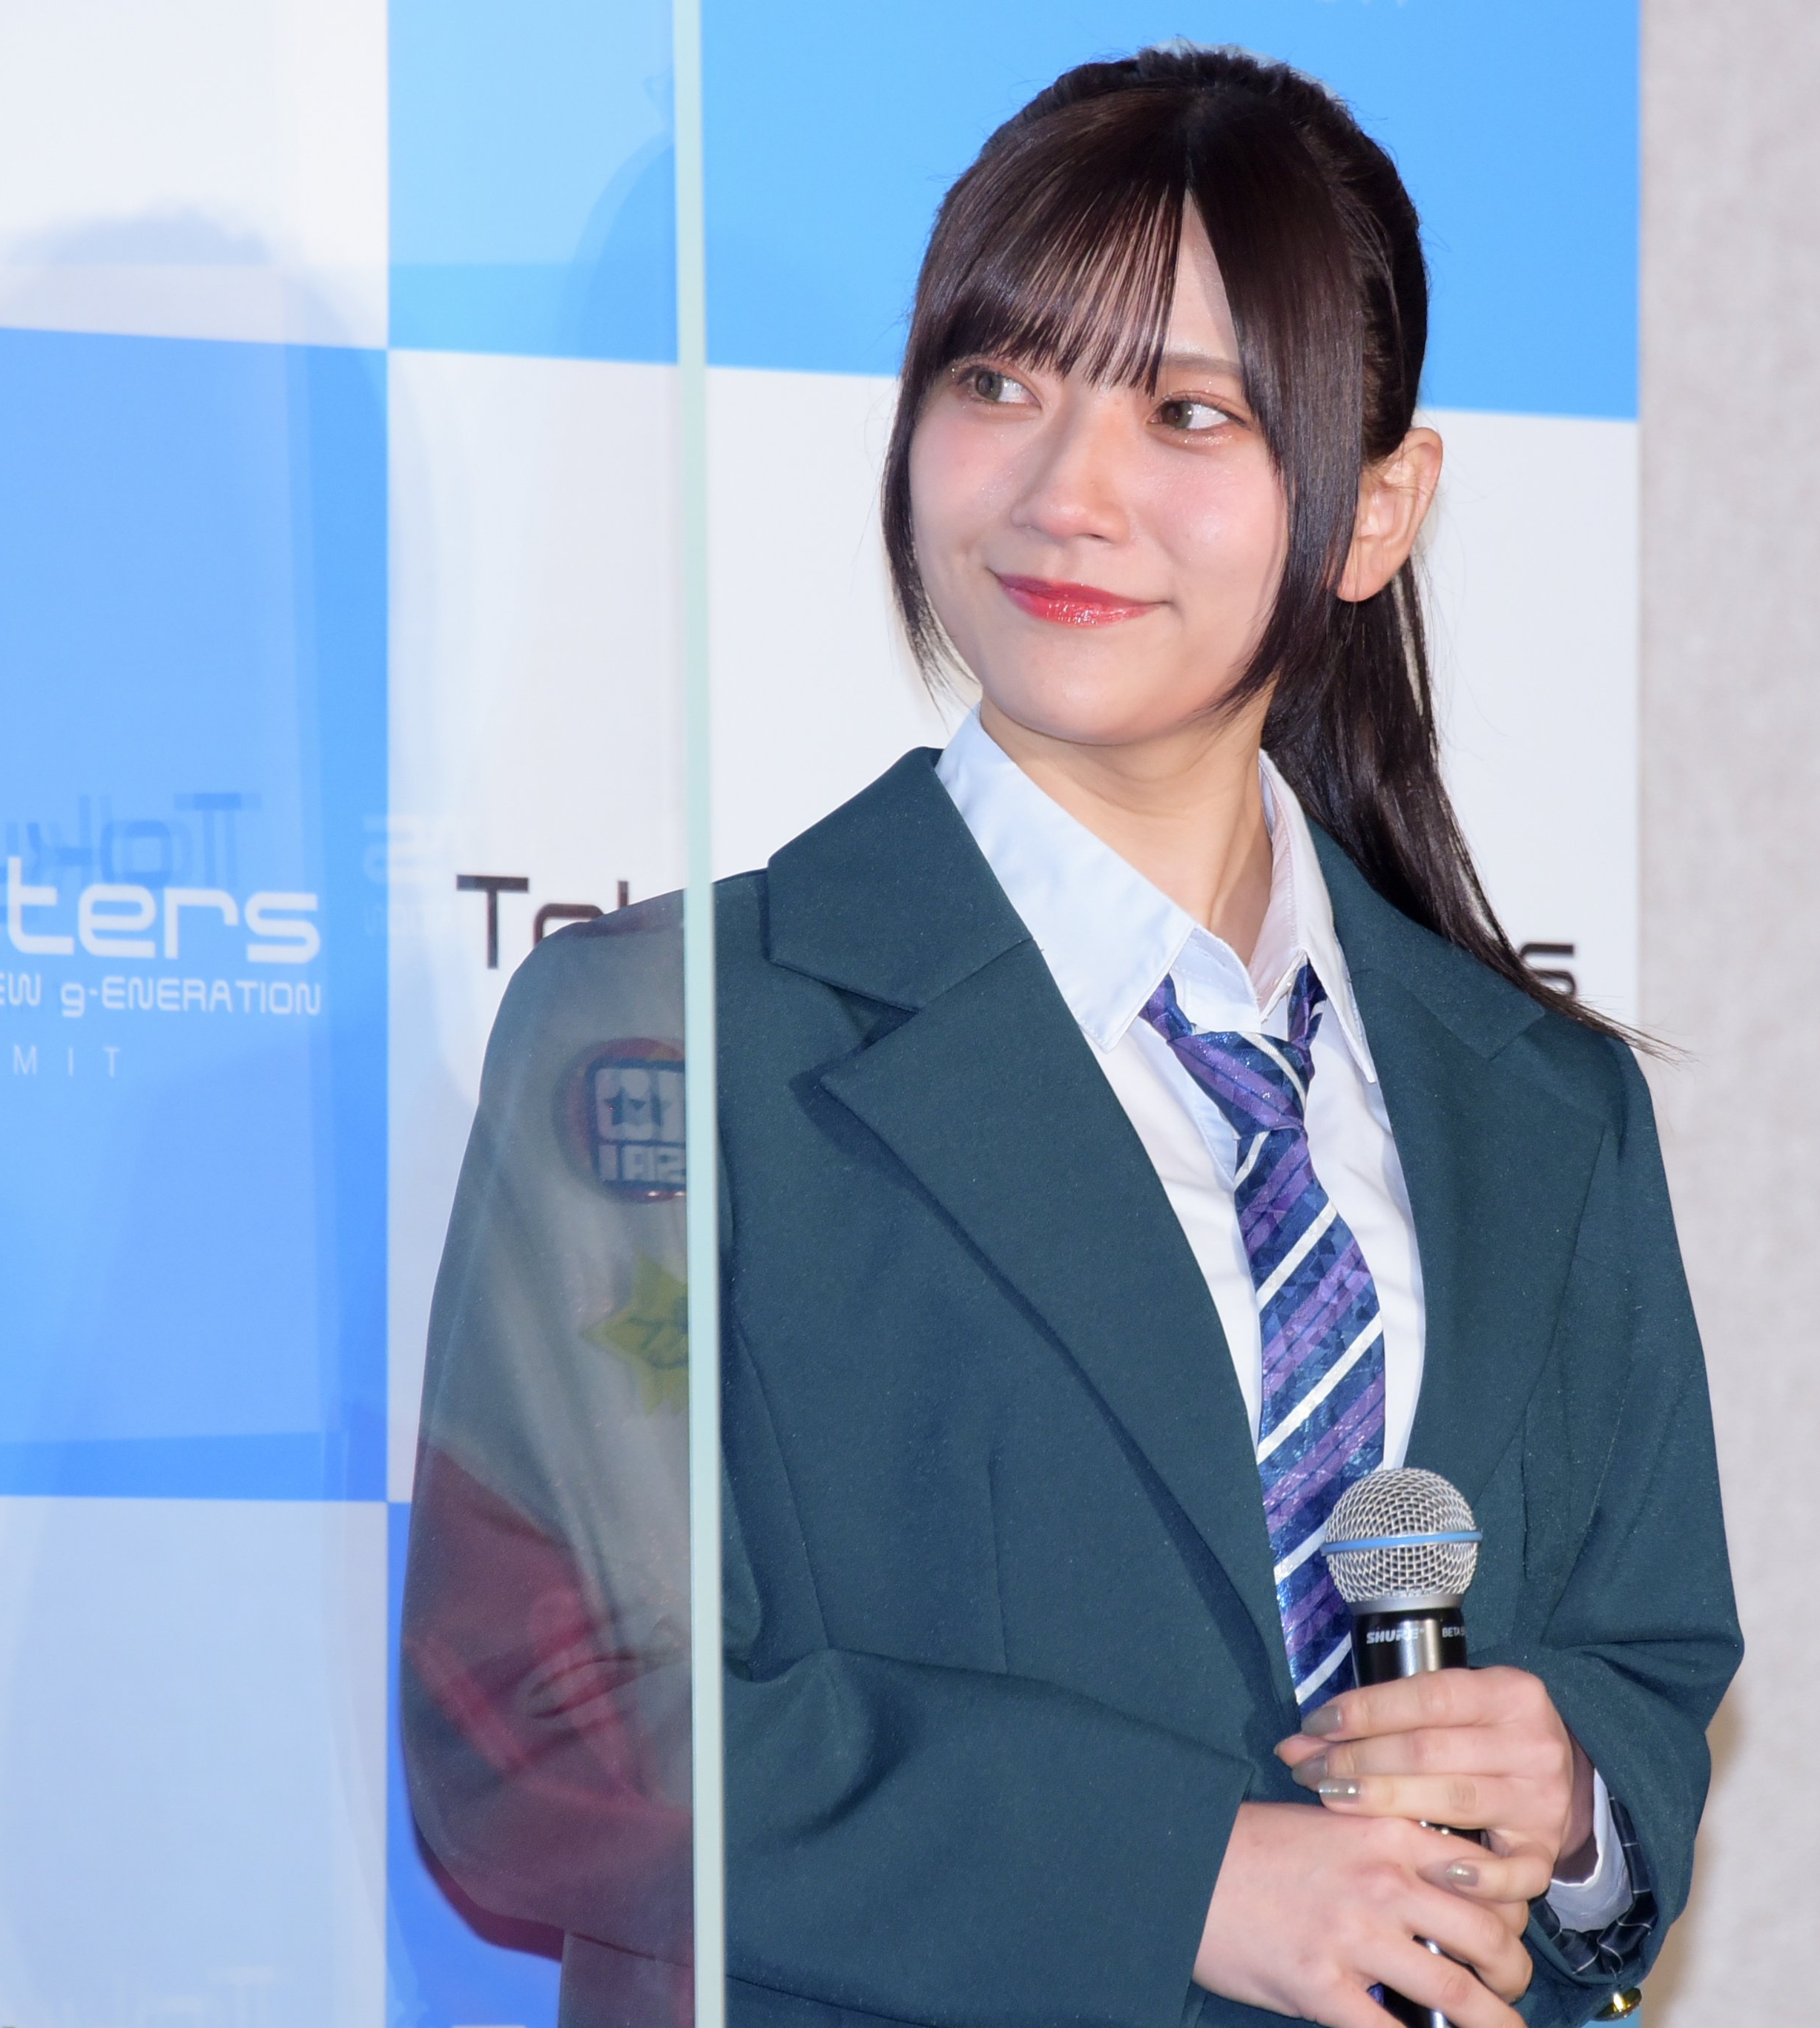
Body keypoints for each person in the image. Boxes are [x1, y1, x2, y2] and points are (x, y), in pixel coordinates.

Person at [401, 44, 1741, 2028]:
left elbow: (1646, 1659)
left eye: (1187, 412)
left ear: (1379, 507)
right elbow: (543, 1726)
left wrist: (1579, 1799)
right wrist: (1180, 1879)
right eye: (999, 383)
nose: (1065, 492)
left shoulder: (1547, 1110)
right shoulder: (673, 1042)